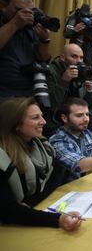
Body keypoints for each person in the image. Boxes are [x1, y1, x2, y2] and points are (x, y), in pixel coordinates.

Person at [0, 97, 81, 231]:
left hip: (35, 213)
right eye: (35, 117)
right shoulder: (2, 159)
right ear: (16, 124)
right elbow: (8, 211)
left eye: (42, 116)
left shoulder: (43, 147)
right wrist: (57, 219)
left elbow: (54, 179)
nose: (43, 122)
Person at [0, 0, 51, 100]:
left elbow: (44, 59)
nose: (26, 15)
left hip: (29, 91)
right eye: (19, 10)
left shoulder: (31, 27)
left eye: (30, 11)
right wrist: (15, 24)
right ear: (3, 6)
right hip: (4, 92)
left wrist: (44, 40)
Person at [49, 98, 92, 183]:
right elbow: (79, 165)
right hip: (66, 191)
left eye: (87, 114)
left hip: (86, 184)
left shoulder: (86, 133)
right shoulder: (57, 140)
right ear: (64, 118)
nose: (86, 119)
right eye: (79, 115)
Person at [45, 44, 92, 137]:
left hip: (74, 117)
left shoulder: (81, 72)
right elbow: (51, 104)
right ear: (62, 57)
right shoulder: (51, 71)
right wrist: (64, 81)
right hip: (55, 120)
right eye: (74, 56)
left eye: (81, 58)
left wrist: (90, 90)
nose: (78, 61)